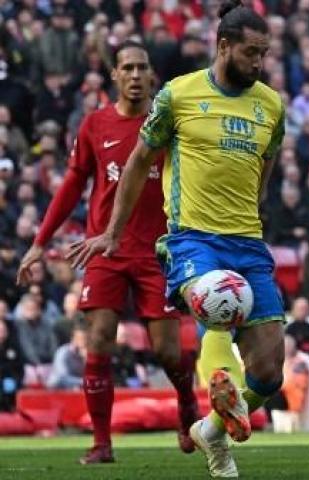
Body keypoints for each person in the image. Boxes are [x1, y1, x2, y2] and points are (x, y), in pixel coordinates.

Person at [68, 5, 286, 478]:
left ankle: (211, 428)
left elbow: (266, 163)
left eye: (264, 54)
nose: (258, 63)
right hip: (192, 238)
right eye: (251, 52)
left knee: (270, 373)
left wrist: (253, 204)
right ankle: (215, 388)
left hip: (247, 241)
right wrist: (112, 231)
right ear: (223, 45)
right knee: (213, 300)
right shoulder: (178, 95)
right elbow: (139, 161)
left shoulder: (270, 103)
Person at [17, 40, 199, 464]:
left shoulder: (170, 124)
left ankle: (187, 399)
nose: (135, 76)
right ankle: (101, 443)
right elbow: (71, 186)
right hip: (106, 247)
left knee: (168, 352)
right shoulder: (95, 125)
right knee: (99, 339)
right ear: (115, 76)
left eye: (142, 68)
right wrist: (40, 242)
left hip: (159, 251)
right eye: (128, 68)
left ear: (153, 76)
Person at [46, 323, 87, 390]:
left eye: (85, 338)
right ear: (73, 339)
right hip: (58, 388)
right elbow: (62, 377)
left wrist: (86, 360)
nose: (83, 342)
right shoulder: (63, 352)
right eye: (80, 338)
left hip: (79, 387)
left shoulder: (91, 354)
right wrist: (84, 382)